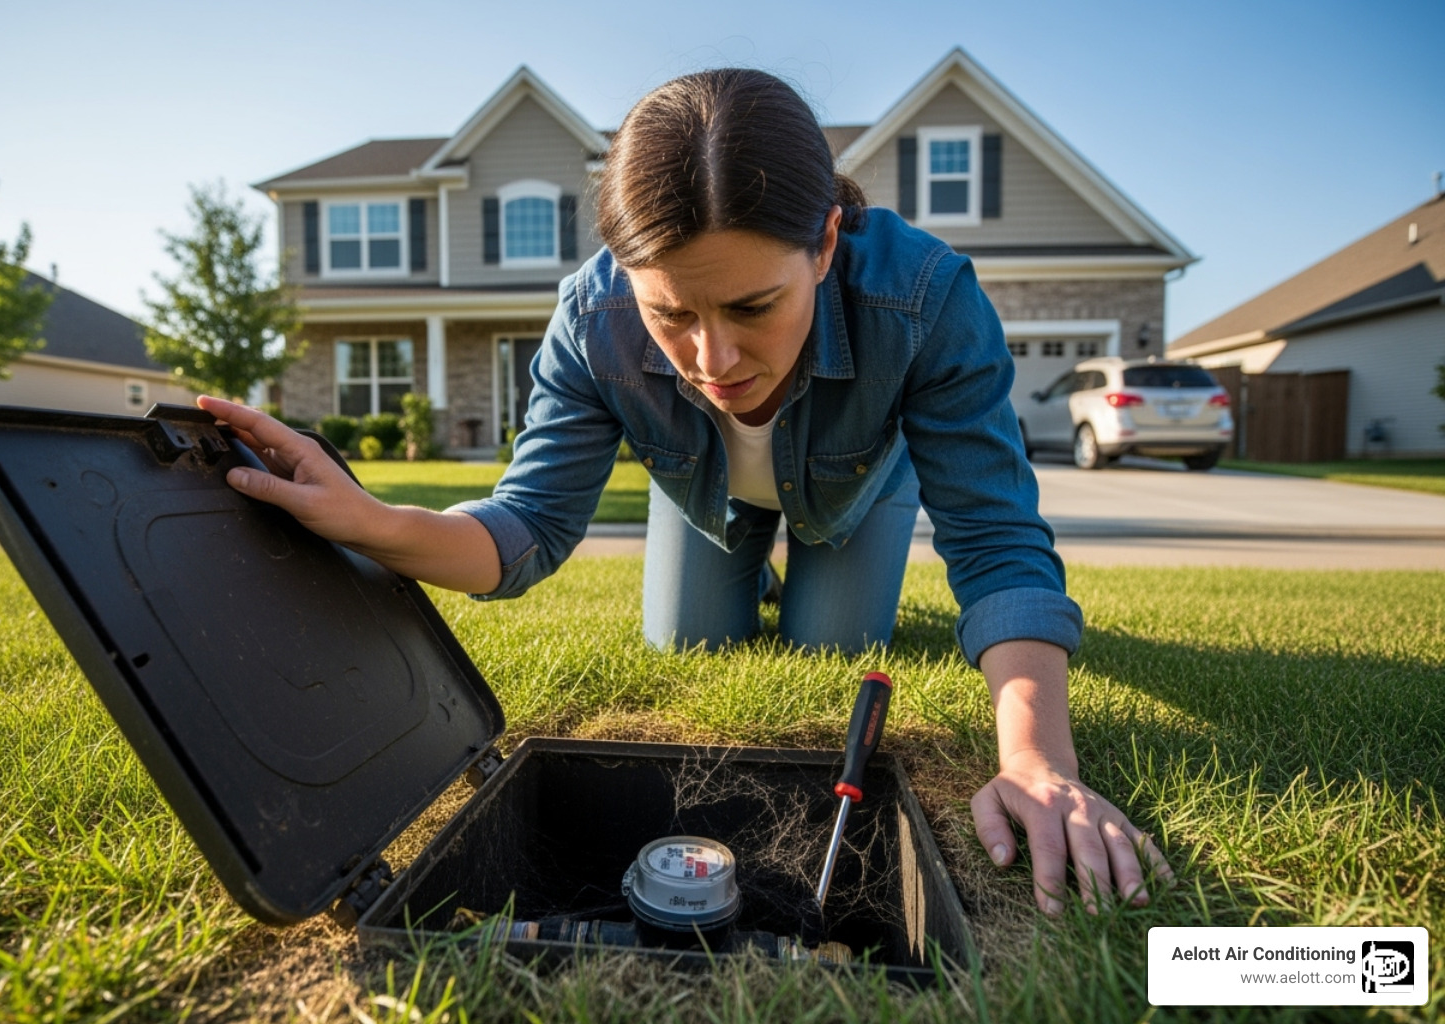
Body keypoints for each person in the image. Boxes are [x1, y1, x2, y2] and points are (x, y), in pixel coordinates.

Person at [198, 68, 1171, 915]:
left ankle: (823, 576)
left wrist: (1037, 757)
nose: (714, 361)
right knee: (692, 639)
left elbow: (996, 540)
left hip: (858, 490)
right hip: (704, 499)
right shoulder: (590, 318)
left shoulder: (923, 296)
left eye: (754, 306)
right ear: (629, 277)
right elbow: (527, 524)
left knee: (831, 643)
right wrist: (374, 524)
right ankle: (743, 563)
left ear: (826, 243)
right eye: (672, 315)